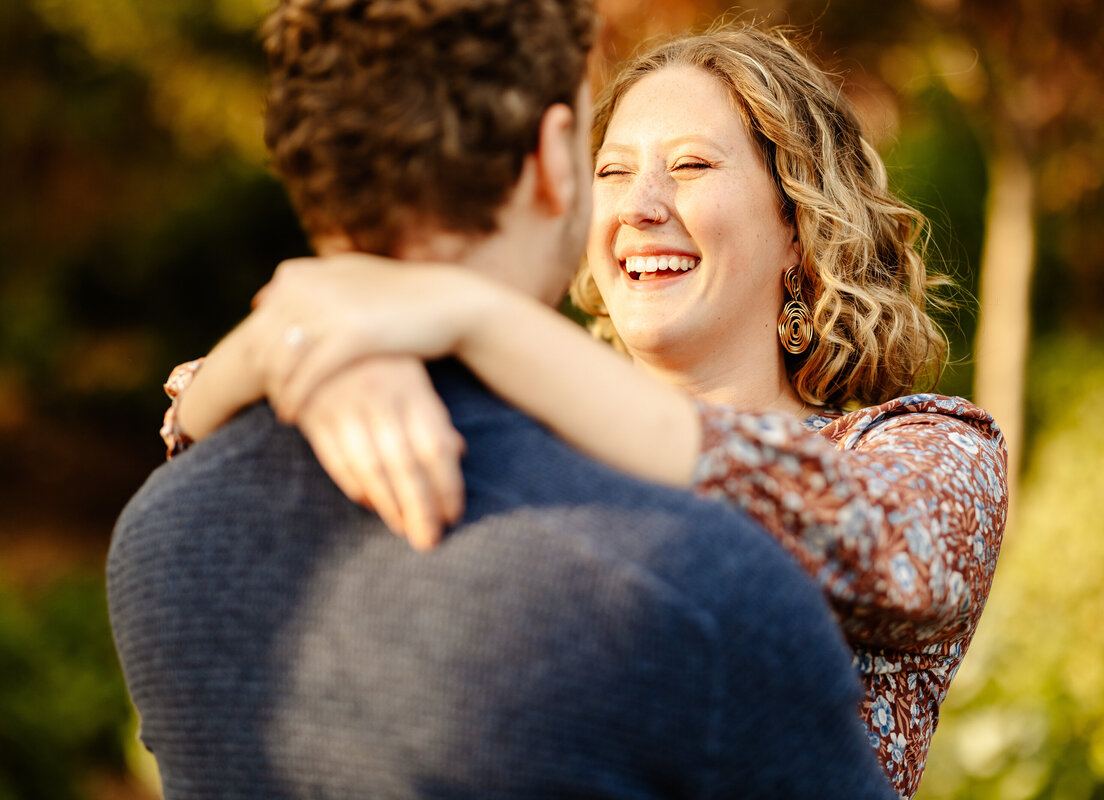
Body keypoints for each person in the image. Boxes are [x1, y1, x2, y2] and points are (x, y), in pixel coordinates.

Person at [164, 21, 1009, 799]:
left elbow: (892, 555)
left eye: (690, 166)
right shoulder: (521, 430)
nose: (640, 205)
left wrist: (476, 317)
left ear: (799, 224)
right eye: (610, 171)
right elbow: (195, 428)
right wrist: (315, 338)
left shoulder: (931, 447)